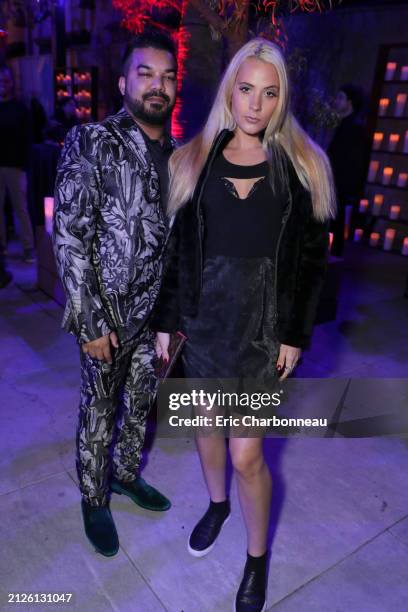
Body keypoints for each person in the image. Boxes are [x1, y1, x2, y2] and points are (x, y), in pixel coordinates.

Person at [152, 38, 335, 611]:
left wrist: (295, 334)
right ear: (230, 91)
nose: (256, 104)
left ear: (282, 101)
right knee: (206, 429)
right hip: (204, 324)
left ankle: (257, 558)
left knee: (246, 454)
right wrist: (166, 320)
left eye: (270, 92)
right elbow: (176, 252)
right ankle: (217, 505)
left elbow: (310, 261)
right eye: (246, 88)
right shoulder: (194, 161)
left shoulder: (301, 167)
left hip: (261, 330)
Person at [53, 29, 178, 557]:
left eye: (168, 76)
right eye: (146, 73)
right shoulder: (93, 140)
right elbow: (69, 234)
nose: (158, 84)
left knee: (141, 405)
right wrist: (87, 322)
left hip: (154, 318)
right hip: (105, 316)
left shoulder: (180, 155)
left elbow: (177, 244)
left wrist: (171, 318)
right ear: (125, 81)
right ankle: (93, 496)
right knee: (99, 411)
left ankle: (126, 475)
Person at [328, 84, 369, 257]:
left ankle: (334, 256)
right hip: (338, 182)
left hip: (339, 183)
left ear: (350, 103)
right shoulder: (347, 125)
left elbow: (351, 161)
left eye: (340, 98)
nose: (336, 101)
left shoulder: (353, 128)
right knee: (334, 222)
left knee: (335, 223)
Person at [0, 65, 35, 263]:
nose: (2, 85)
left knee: (20, 208)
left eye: (6, 81)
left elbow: (27, 138)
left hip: (16, 166)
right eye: (0, 81)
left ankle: (28, 247)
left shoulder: (20, 108)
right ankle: (1, 247)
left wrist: (24, 165)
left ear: (11, 83)